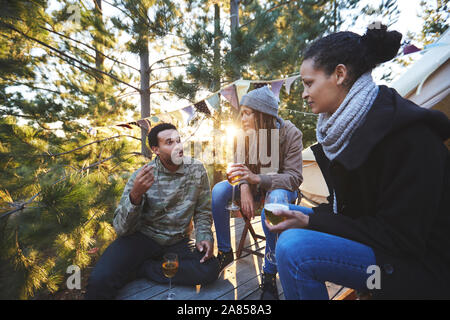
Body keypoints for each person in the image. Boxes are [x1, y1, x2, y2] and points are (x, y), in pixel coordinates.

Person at [266, 23, 450, 299]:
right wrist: (306, 215)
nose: (303, 94)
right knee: (285, 218)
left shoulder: (408, 135)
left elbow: (400, 238)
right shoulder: (347, 131)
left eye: (309, 83)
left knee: (295, 250)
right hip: (386, 255)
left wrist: (310, 223)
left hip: (419, 274)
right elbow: (352, 211)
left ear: (339, 74)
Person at [86, 123, 219, 299]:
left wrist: (204, 237)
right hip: (143, 239)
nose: (178, 146)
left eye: (178, 140)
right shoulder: (142, 176)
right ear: (156, 149)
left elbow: (203, 212)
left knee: (209, 269)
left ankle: (143, 269)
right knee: (99, 280)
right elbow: (121, 228)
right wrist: (135, 195)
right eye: (169, 142)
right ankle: (152, 266)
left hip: (178, 242)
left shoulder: (196, 169)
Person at [211, 85, 304, 300]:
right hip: (251, 187)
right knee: (218, 191)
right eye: (240, 113)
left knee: (275, 202)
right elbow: (237, 164)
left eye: (246, 113)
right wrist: (244, 185)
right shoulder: (243, 135)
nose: (241, 118)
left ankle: (270, 271)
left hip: (280, 188)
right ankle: (225, 252)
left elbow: (294, 177)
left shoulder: (291, 133)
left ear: (263, 114)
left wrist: (259, 179)